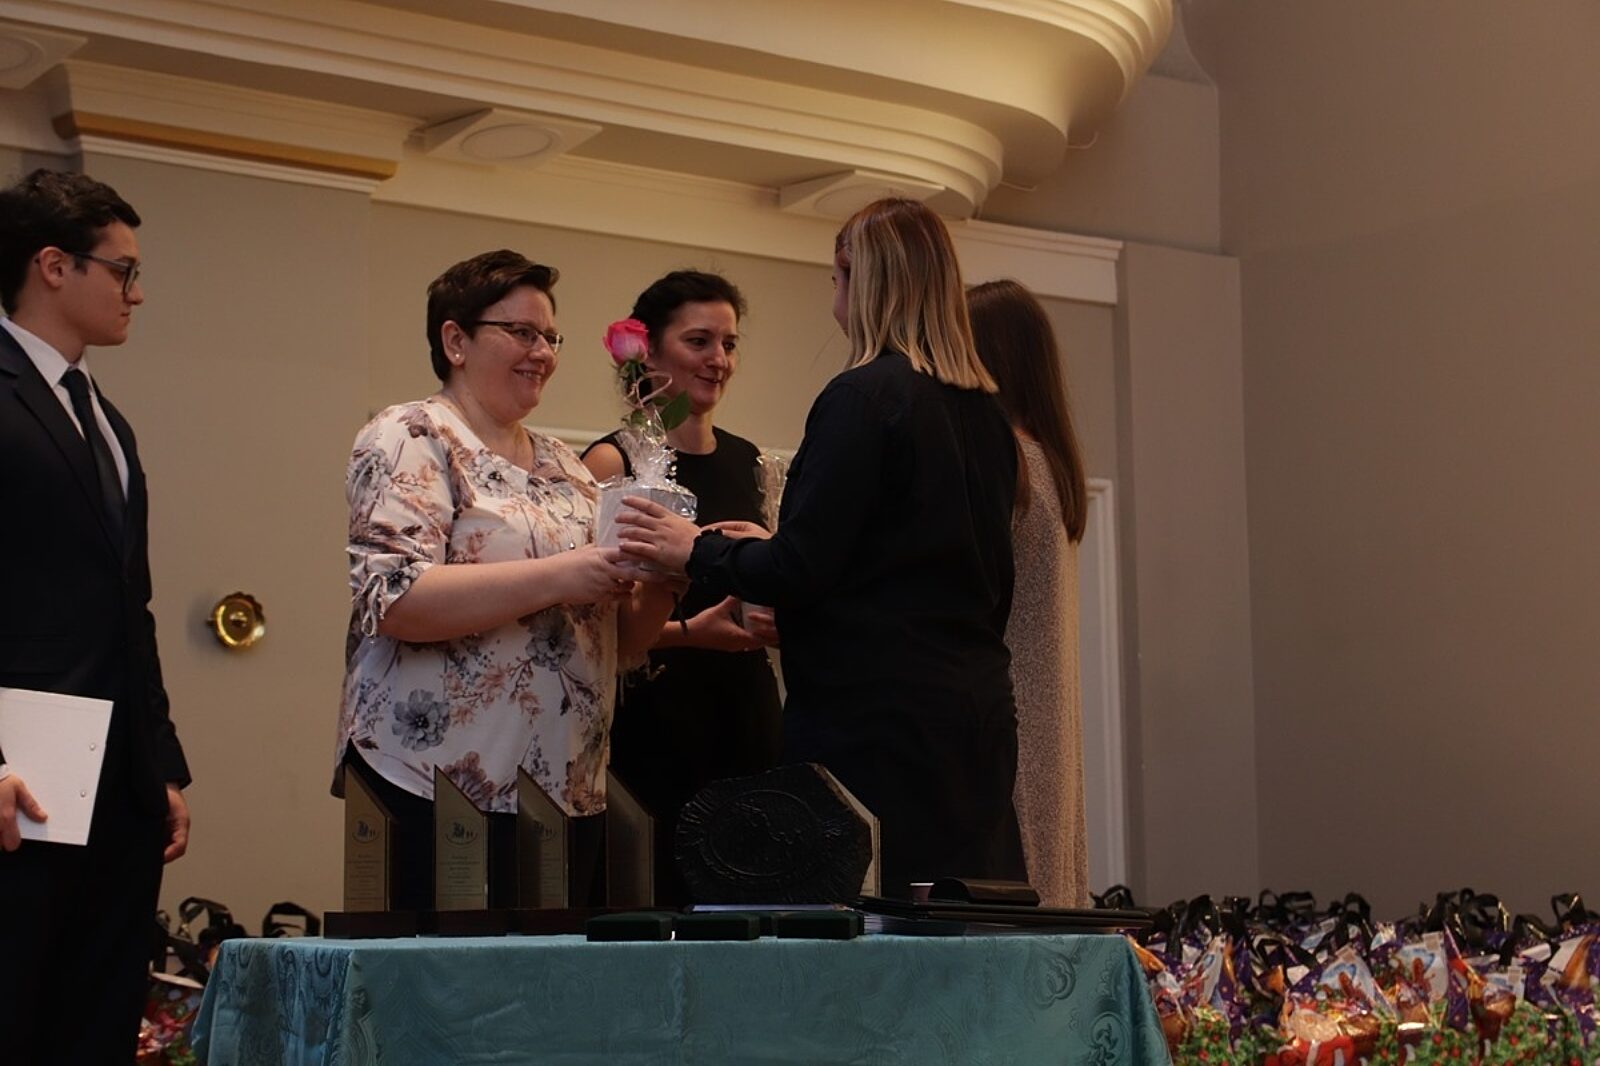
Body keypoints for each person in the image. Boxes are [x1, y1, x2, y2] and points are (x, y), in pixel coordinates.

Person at [615, 198, 1026, 897]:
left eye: (836, 280)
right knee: (958, 921)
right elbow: (935, 568)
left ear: (859, 280)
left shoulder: (862, 397)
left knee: (862, 924)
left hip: (876, 723)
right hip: (974, 718)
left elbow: (800, 570)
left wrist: (693, 550)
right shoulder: (986, 413)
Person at [334, 249, 677, 909]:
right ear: (455, 341)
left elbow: (623, 642)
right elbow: (397, 601)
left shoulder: (566, 468)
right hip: (434, 785)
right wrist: (565, 573)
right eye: (521, 332)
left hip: (565, 790)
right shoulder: (410, 435)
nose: (542, 352)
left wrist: (662, 577)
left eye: (550, 337)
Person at [0, 168, 191, 1062]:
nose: (136, 292)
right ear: (53, 266)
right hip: (18, 781)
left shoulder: (107, 419)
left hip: (117, 786)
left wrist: (160, 763)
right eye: (122, 271)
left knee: (98, 1026)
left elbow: (129, 606)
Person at [581, 270, 782, 907]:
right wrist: (694, 633)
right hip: (656, 725)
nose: (719, 359)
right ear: (648, 353)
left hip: (745, 716)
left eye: (729, 344)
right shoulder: (611, 462)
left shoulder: (751, 462)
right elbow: (592, 629)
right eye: (699, 341)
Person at [968, 278, 1090, 908]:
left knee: (1017, 901)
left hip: (1012, 714)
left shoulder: (1007, 465)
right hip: (1049, 722)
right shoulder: (1051, 461)